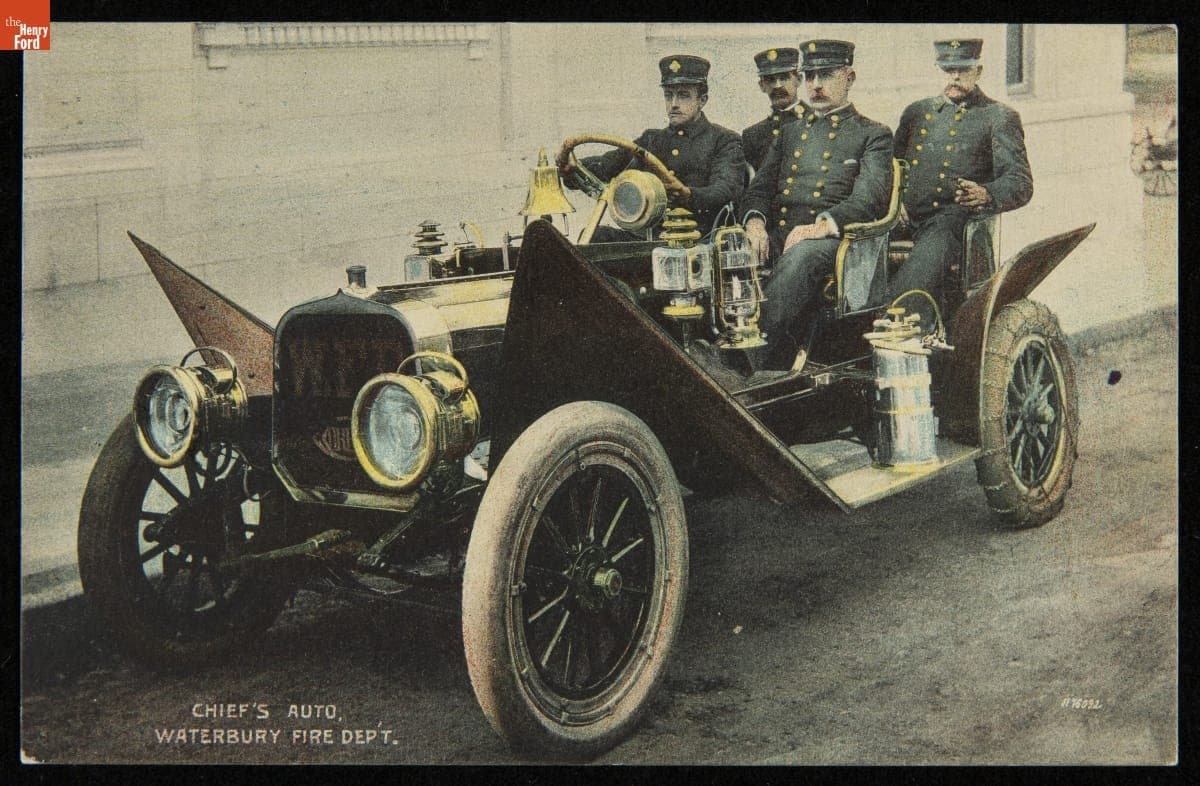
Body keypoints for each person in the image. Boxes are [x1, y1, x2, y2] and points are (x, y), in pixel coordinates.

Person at [740, 40, 894, 369]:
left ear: (849, 78)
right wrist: (754, 224)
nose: (816, 85)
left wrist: (819, 227)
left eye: (826, 75)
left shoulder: (873, 134)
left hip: (835, 244)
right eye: (810, 76)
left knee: (801, 256)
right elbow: (759, 189)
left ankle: (747, 363)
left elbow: (871, 198)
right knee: (719, 249)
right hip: (782, 237)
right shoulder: (791, 133)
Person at [891, 38, 1033, 329]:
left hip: (952, 224)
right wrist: (894, 202)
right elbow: (891, 168)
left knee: (910, 288)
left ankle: (906, 340)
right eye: (948, 70)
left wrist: (987, 193)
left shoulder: (999, 117)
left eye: (963, 70)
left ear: (978, 71)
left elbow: (1020, 182)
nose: (954, 77)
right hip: (903, 218)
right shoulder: (915, 113)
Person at [557, 54, 746, 241]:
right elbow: (606, 165)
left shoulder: (724, 140)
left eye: (683, 96)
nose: (673, 105)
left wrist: (688, 195)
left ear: (702, 100)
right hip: (650, 241)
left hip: (698, 242)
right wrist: (572, 167)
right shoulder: (651, 139)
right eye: (668, 95)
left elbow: (725, 189)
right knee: (592, 238)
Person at [742, 47, 805, 172]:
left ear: (798, 79)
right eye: (770, 79)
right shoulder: (752, 135)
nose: (777, 85)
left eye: (784, 77)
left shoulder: (819, 121)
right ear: (762, 86)